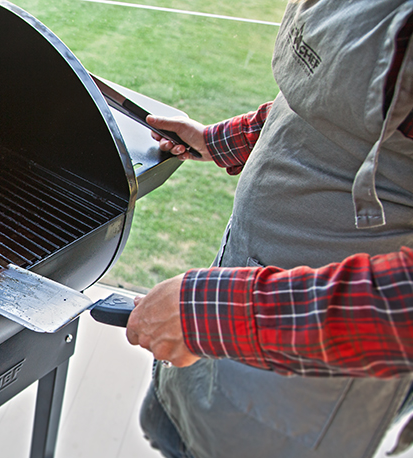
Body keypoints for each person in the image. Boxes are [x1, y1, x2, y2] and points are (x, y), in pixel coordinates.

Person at [124, 1, 413, 457]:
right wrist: (229, 139)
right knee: (175, 430)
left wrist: (215, 314)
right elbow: (328, 97)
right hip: (242, 278)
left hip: (318, 350)